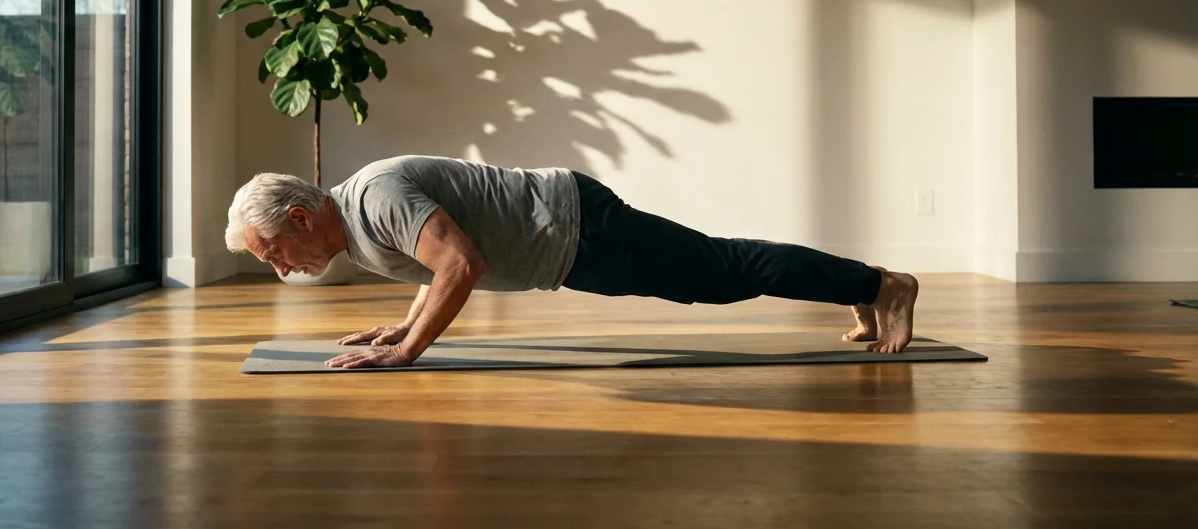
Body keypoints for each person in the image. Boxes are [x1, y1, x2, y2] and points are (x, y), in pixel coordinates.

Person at [225, 155, 919, 370]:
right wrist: (400, 331)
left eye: (276, 255)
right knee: (719, 272)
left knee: (723, 272)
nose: (282, 269)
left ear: (298, 219)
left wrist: (408, 354)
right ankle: (861, 287)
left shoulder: (373, 200)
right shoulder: (358, 224)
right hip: (571, 240)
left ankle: (882, 285)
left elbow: (459, 265)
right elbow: (435, 266)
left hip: (581, 229)